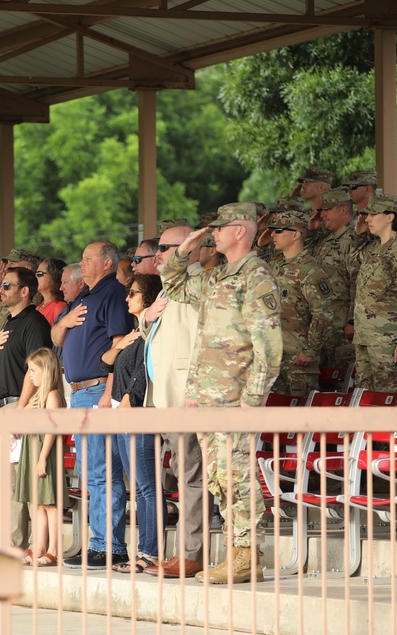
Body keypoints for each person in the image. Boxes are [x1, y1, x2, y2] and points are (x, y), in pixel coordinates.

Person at [162, 202, 283, 584]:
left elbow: (269, 346)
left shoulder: (256, 275)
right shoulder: (219, 276)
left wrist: (252, 399)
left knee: (239, 476)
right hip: (208, 400)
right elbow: (174, 284)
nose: (212, 233)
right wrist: (185, 250)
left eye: (219, 228)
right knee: (220, 478)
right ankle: (236, 553)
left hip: (235, 400)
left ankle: (247, 556)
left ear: (240, 231)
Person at [54, 241, 134, 569]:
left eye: (88, 259)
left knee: (103, 473)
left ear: (105, 262)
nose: (82, 264)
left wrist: (109, 394)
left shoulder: (113, 293)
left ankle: (108, 545)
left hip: (98, 390)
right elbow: (56, 337)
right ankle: (99, 541)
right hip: (79, 392)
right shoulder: (84, 297)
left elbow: (120, 345)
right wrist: (66, 320)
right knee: (92, 473)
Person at [141, 224, 204, 579]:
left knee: (191, 476)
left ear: (190, 249)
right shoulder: (170, 285)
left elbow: (202, 341)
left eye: (166, 247)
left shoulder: (195, 282)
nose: (158, 254)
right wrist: (144, 317)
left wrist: (195, 389)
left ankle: (190, 553)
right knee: (181, 474)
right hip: (163, 394)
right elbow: (154, 335)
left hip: (185, 395)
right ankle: (184, 552)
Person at [100, 273, 162, 574]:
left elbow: (144, 370)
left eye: (133, 293)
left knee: (148, 488)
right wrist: (123, 341)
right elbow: (106, 360)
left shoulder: (151, 331)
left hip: (136, 412)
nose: (127, 298)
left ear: (148, 298)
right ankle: (143, 552)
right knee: (138, 489)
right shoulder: (135, 332)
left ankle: (151, 552)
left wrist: (128, 398)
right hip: (124, 413)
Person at [0, 266, 53, 550]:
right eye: (1, 286)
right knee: (4, 481)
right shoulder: (7, 324)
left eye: (7, 286)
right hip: (2, 405)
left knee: (19, 481)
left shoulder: (34, 323)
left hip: (19, 404)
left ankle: (18, 544)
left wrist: (22, 407)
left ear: (25, 291)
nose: (1, 291)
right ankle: (7, 542)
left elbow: (36, 370)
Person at [352, 195, 397, 392]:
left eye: (373, 214)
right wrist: (358, 235)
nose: (367, 219)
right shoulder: (373, 249)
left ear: (390, 217)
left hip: (390, 342)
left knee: (390, 401)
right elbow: (349, 262)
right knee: (364, 400)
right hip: (366, 338)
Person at [268, 210, 335, 397]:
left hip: (299, 359)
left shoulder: (310, 271)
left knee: (301, 417)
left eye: (279, 230)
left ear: (296, 235)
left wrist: (309, 350)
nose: (273, 234)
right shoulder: (274, 265)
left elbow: (323, 314)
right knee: (275, 417)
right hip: (274, 355)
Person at [15, 348, 69, 567]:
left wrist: (43, 458)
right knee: (37, 503)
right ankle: (39, 546)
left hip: (45, 451)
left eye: (33, 370)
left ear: (46, 371)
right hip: (32, 448)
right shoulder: (36, 396)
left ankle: (54, 550)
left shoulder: (52, 395)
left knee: (50, 503)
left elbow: (51, 430)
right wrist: (27, 407)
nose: (30, 375)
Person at [314, 188, 357, 371]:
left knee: (342, 384)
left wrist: (352, 320)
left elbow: (357, 282)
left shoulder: (353, 240)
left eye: (327, 209)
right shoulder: (326, 240)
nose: (322, 214)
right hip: (324, 327)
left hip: (342, 329)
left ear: (343, 210)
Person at [35, 258, 67, 326]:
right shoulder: (38, 307)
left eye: (39, 274)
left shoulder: (59, 307)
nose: (35, 277)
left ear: (54, 276)